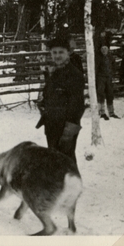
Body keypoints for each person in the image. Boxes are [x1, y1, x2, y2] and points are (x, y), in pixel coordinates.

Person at [36, 36, 87, 165]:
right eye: (54, 52)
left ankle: (73, 185)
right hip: (52, 124)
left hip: (66, 127)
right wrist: (43, 104)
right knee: (54, 162)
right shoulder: (55, 72)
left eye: (61, 52)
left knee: (66, 161)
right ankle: (59, 185)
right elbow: (49, 95)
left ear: (68, 53)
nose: (57, 56)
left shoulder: (74, 74)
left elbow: (77, 105)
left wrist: (69, 130)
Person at [95, 38, 119, 119]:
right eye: (102, 48)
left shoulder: (110, 57)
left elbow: (114, 65)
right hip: (100, 78)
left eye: (105, 48)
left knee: (110, 94)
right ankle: (102, 112)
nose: (104, 50)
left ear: (108, 49)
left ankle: (111, 112)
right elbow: (95, 68)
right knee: (101, 94)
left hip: (108, 78)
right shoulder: (98, 57)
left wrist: (112, 73)